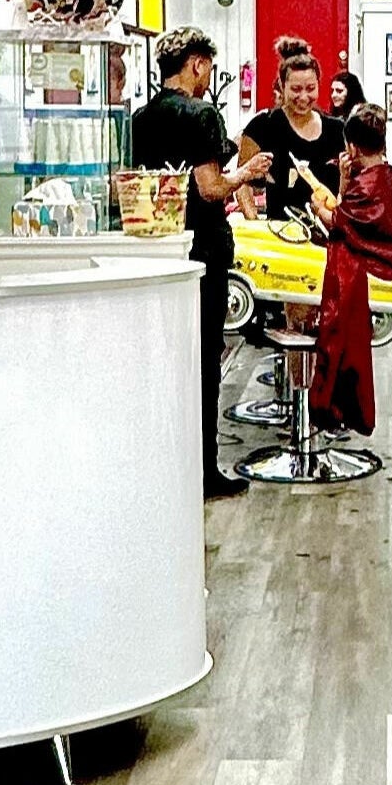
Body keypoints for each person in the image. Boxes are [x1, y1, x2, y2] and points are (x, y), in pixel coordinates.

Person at [134, 29, 270, 498]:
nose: (209, 76)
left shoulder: (140, 118)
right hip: (203, 251)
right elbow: (210, 188)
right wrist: (247, 173)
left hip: (158, 248)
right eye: (208, 67)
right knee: (204, 360)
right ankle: (204, 471)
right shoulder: (201, 114)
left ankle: (164, 465)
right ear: (196, 64)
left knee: (165, 359)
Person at [310, 104, 392, 439]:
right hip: (391, 258)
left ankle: (330, 406)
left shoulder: (368, 186)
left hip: (372, 267)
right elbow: (352, 217)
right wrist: (344, 182)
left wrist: (318, 207)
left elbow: (338, 220)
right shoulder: (388, 177)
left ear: (352, 148)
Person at [241, 42, 337, 220]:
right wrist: (253, 220)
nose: (303, 97)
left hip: (329, 230)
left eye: (310, 89)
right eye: (295, 89)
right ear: (282, 85)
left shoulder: (337, 129)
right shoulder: (263, 126)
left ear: (319, 84)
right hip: (281, 230)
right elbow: (242, 182)